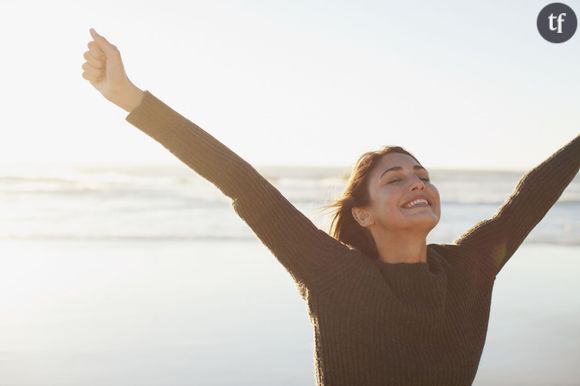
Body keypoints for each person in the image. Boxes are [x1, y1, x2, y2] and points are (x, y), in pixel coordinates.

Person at [81, 28, 580, 386]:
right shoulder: (337, 276)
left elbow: (533, 194)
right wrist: (131, 99)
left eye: (423, 176)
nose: (418, 184)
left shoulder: (468, 270)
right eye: (396, 178)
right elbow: (245, 186)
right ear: (362, 213)